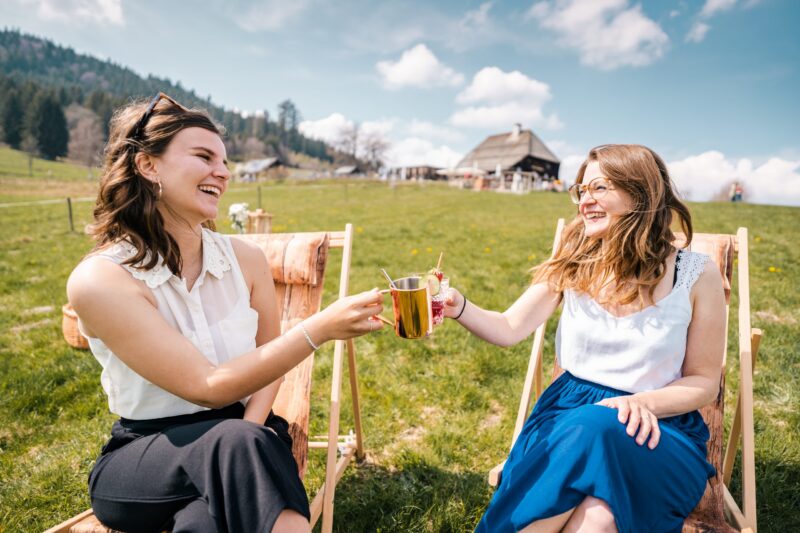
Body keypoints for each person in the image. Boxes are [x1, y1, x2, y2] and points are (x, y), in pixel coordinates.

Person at [67, 93, 385, 533]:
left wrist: (251, 427)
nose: (223, 172)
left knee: (210, 512)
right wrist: (319, 328)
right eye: (203, 156)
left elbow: (268, 359)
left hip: (246, 432)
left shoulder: (246, 260)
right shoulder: (102, 279)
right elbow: (206, 387)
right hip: (146, 457)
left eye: (225, 161)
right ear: (148, 165)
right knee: (241, 446)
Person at [444, 144, 725, 532]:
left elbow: (704, 380)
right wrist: (458, 305)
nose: (584, 201)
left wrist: (638, 403)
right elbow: (509, 328)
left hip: (659, 427)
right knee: (600, 518)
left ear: (640, 193)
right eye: (581, 190)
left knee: (597, 424)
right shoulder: (574, 261)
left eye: (599, 189)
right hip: (566, 419)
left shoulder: (696, 274)